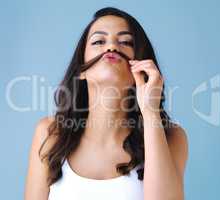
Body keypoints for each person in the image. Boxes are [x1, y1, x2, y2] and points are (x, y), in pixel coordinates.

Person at [24, 7, 188, 200]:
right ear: (81, 71)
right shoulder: (49, 133)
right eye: (99, 41)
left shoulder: (172, 137)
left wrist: (151, 112)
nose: (111, 47)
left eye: (126, 42)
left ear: (141, 64)